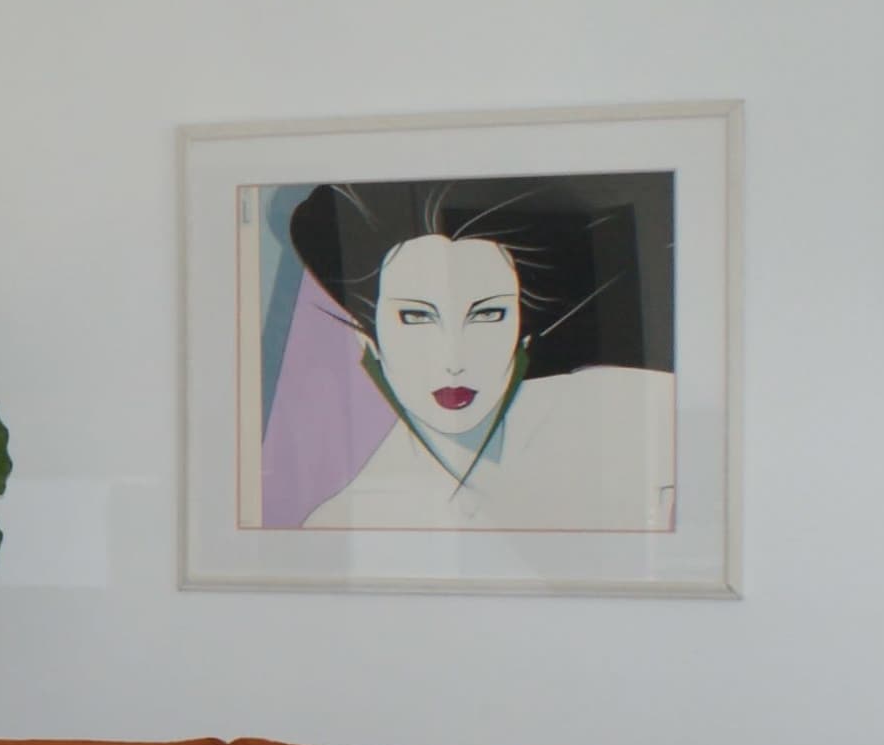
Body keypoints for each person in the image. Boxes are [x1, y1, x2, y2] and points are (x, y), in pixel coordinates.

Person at [286, 180, 676, 533]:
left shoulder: (631, 410)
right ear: (370, 341)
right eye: (416, 316)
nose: (453, 359)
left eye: (488, 314)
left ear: (521, 332)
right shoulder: (345, 522)